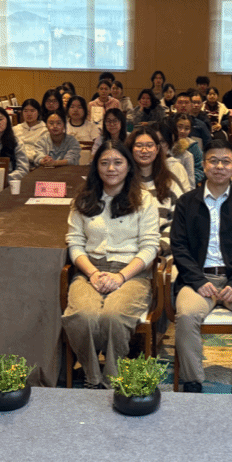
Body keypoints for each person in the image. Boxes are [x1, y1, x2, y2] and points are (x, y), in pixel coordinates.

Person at [171, 140, 232, 394]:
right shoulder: (186, 202)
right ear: (204, 165)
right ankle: (193, 382)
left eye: (226, 161)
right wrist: (197, 281)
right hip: (198, 279)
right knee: (186, 316)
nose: (219, 166)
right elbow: (179, 246)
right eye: (213, 160)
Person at [62, 140, 160, 389]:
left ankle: (113, 379)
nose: (111, 168)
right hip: (90, 271)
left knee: (113, 317)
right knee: (82, 316)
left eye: (118, 162)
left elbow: (150, 247)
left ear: (129, 166)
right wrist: (93, 273)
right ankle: (92, 377)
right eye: (104, 163)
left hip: (131, 273)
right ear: (96, 167)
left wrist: (120, 277)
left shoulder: (145, 200)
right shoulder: (83, 199)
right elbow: (75, 243)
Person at [128, 126, 188, 251]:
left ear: (157, 149)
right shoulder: (121, 182)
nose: (144, 150)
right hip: (125, 249)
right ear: (131, 149)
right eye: (139, 146)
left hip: (161, 251)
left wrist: (160, 247)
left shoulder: (170, 182)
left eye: (149, 145)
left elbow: (180, 221)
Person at [0, 106, 31, 183]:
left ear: (7, 121)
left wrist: (3, 179)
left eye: (0, 119)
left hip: (8, 183)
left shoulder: (16, 143)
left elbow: (23, 170)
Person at [169, 113, 205, 185]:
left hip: (186, 183)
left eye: (186, 128)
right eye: (179, 127)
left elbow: (200, 169)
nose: (182, 131)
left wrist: (185, 179)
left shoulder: (192, 146)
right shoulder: (165, 143)